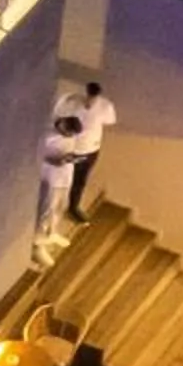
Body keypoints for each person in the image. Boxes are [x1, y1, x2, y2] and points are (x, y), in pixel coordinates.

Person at [54, 76, 116, 219]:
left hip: (91, 150)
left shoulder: (105, 107)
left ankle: (73, 207)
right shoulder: (74, 102)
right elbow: (60, 118)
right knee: (64, 179)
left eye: (94, 98)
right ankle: (56, 209)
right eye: (89, 97)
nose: (90, 101)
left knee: (80, 181)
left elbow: (109, 121)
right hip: (73, 150)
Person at [36, 108, 85, 256]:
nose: (70, 136)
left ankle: (53, 232)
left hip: (64, 175)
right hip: (50, 176)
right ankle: (39, 239)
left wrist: (70, 158)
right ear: (64, 126)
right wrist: (56, 161)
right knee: (47, 208)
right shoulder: (48, 135)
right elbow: (39, 155)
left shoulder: (69, 135)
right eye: (69, 133)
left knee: (60, 206)